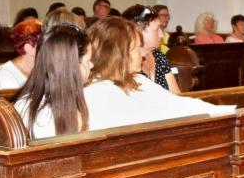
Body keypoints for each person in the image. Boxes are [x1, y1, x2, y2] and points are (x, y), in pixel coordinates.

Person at [84, 17, 230, 130]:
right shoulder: (97, 92)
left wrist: (222, 113)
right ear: (120, 54)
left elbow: (176, 103)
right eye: (137, 48)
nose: (143, 54)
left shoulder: (137, 79)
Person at [14, 24, 92, 139]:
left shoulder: (33, 102)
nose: (91, 65)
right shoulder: (42, 117)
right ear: (72, 66)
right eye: (88, 60)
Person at [123, 4, 180, 93]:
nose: (161, 34)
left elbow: (176, 95)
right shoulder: (125, 62)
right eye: (157, 29)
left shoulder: (159, 57)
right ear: (138, 31)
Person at [0, 17, 42, 90]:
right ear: (29, 49)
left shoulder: (43, 68)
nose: (50, 49)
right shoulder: (6, 74)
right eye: (44, 44)